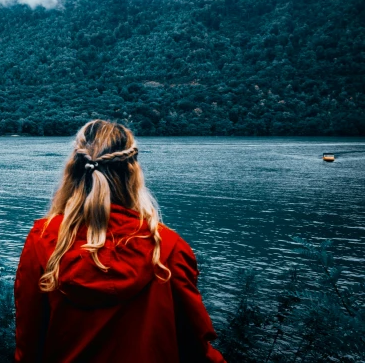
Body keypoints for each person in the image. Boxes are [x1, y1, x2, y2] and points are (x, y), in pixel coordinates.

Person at [14, 120, 225, 362]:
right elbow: (195, 347)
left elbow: (28, 343)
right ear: (133, 173)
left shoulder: (44, 240)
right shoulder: (167, 247)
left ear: (73, 170)